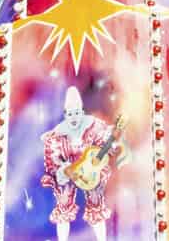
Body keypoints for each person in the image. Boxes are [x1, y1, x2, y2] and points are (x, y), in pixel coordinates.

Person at [39, 86, 125, 241]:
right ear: (65, 115)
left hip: (90, 172)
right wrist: (64, 169)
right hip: (68, 170)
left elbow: (104, 143)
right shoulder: (58, 135)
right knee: (63, 203)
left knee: (95, 200)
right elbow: (54, 157)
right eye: (70, 114)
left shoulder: (93, 127)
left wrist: (113, 142)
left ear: (82, 112)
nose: (74, 117)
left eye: (77, 113)